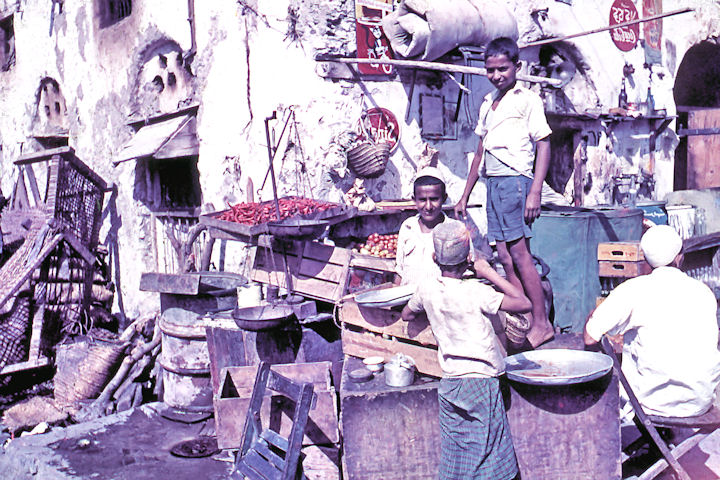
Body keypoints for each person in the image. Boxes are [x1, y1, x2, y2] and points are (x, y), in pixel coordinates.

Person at [401, 222, 530, 479]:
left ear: (435, 257)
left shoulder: (426, 289)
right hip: (482, 384)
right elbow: (524, 303)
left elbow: (406, 314)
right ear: (469, 259)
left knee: (457, 454)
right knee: (489, 456)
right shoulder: (477, 291)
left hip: (451, 384)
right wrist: (489, 272)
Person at [454, 36, 554, 348]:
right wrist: (465, 195)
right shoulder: (488, 103)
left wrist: (535, 192)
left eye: (503, 69)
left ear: (517, 67)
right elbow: (480, 152)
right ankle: (524, 317)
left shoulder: (527, 99)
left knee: (521, 255)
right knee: (505, 257)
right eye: (491, 70)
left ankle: (542, 323)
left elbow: (544, 144)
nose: (496, 75)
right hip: (494, 184)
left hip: (515, 182)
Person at [584, 225, 720, 418]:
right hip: (700, 402)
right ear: (679, 257)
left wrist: (593, 315)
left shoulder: (634, 290)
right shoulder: (704, 292)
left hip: (652, 405)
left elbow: (590, 337)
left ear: (646, 259)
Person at [395, 166, 465, 285]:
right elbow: (399, 271)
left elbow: (466, 272)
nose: (428, 206)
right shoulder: (408, 227)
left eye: (434, 199)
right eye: (422, 200)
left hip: (441, 295)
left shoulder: (457, 230)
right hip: (408, 295)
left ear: (444, 198)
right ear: (414, 199)